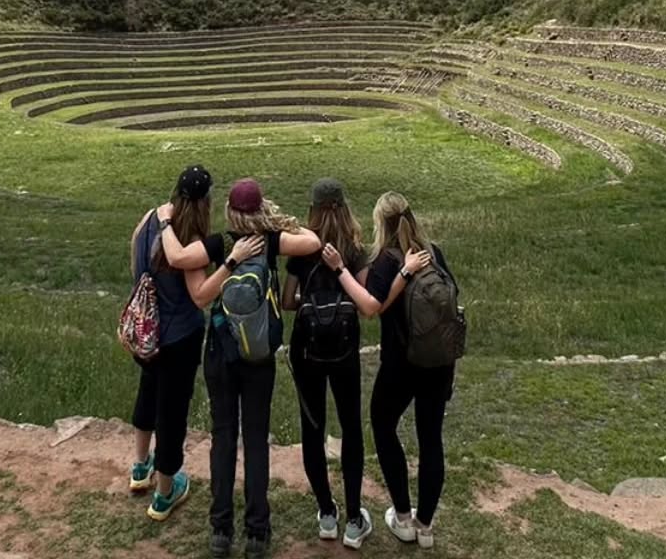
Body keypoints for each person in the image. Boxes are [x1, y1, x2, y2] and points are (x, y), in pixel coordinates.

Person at [164, 178, 320, 559]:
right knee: (255, 438)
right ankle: (257, 532)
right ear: (258, 209)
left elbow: (188, 275)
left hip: (220, 350)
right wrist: (274, 221)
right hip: (258, 355)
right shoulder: (269, 243)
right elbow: (313, 241)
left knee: (223, 437)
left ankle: (220, 530)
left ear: (230, 212)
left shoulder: (219, 244)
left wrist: (166, 223)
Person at [129, 165, 266, 524]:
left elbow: (135, 257)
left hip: (149, 330)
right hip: (179, 337)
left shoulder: (150, 219)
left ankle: (139, 466)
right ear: (205, 201)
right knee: (171, 413)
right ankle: (164, 494)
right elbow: (201, 296)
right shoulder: (192, 239)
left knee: (147, 393)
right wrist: (231, 263)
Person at [322, 192, 455, 550]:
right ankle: (425, 527)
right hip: (440, 363)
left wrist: (340, 269)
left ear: (382, 222)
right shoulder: (435, 253)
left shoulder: (386, 262)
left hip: (402, 363)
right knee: (431, 439)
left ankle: (402, 514)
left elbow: (371, 307)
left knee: (382, 425)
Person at [282, 177, 372, 549]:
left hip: (308, 351)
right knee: (351, 429)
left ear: (314, 208)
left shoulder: (303, 248)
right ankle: (354, 519)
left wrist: (309, 296)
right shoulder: (353, 248)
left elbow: (289, 301)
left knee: (312, 429)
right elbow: (365, 298)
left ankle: (326, 514)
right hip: (346, 351)